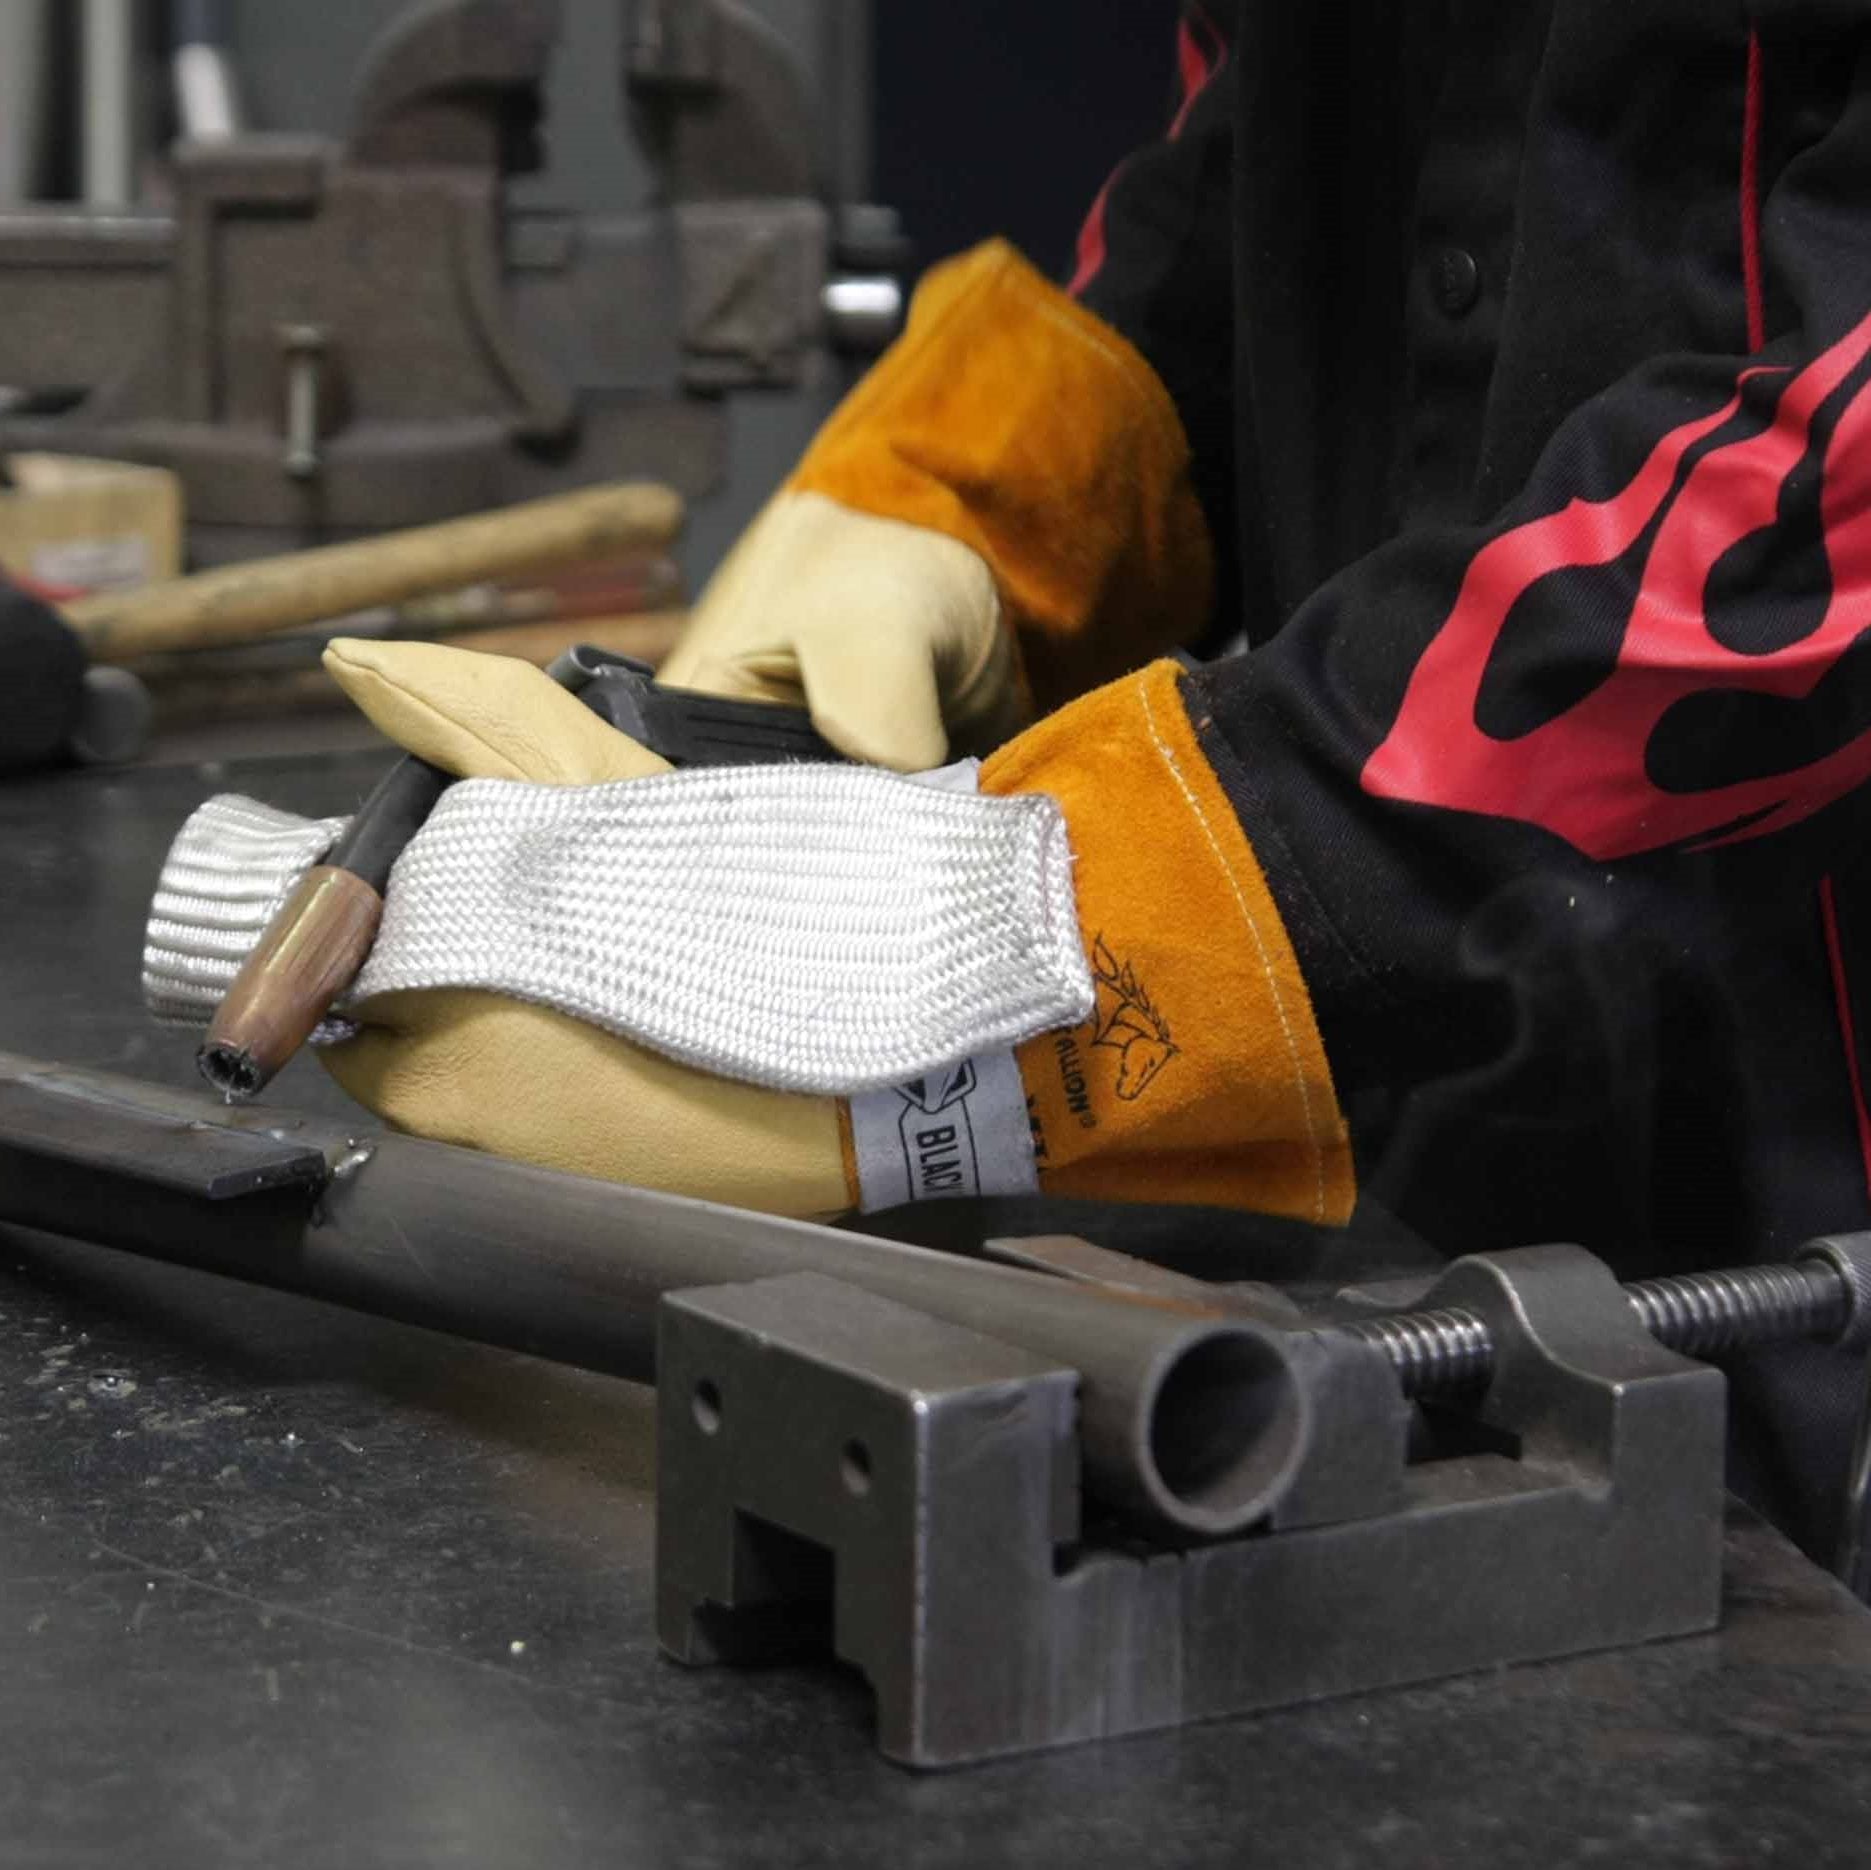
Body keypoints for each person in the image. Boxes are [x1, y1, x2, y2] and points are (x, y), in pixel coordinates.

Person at [309, 2, 1871, 1559]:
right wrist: (994, 499)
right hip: (1407, 1174)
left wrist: (1121, 914)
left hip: (1811, 1200)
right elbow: (1260, 172)